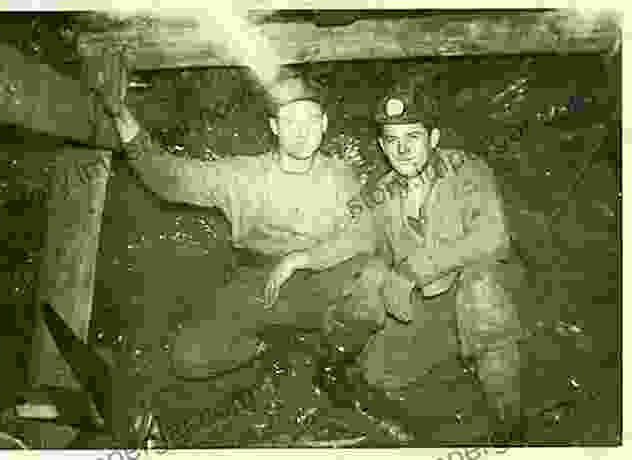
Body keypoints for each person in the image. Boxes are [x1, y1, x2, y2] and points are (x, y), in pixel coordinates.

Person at [106, 70, 383, 389]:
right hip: (258, 281)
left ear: (323, 124)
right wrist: (120, 114)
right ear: (275, 127)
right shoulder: (242, 176)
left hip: (319, 281)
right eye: (290, 121)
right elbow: (169, 177)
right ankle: (267, 345)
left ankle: (334, 360)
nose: (301, 132)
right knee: (188, 357)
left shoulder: (339, 177)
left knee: (372, 278)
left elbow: (364, 235)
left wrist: (302, 259)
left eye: (309, 120)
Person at [338, 77, 528, 441]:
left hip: (490, 296)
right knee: (380, 374)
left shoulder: (467, 171)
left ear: (434, 138)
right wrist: (300, 257)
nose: (403, 150)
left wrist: (413, 270)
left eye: (413, 137)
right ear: (381, 146)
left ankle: (511, 425)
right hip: (434, 306)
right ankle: (460, 355)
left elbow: (494, 238)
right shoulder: (380, 193)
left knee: (481, 290)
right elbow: (356, 243)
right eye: (392, 141)